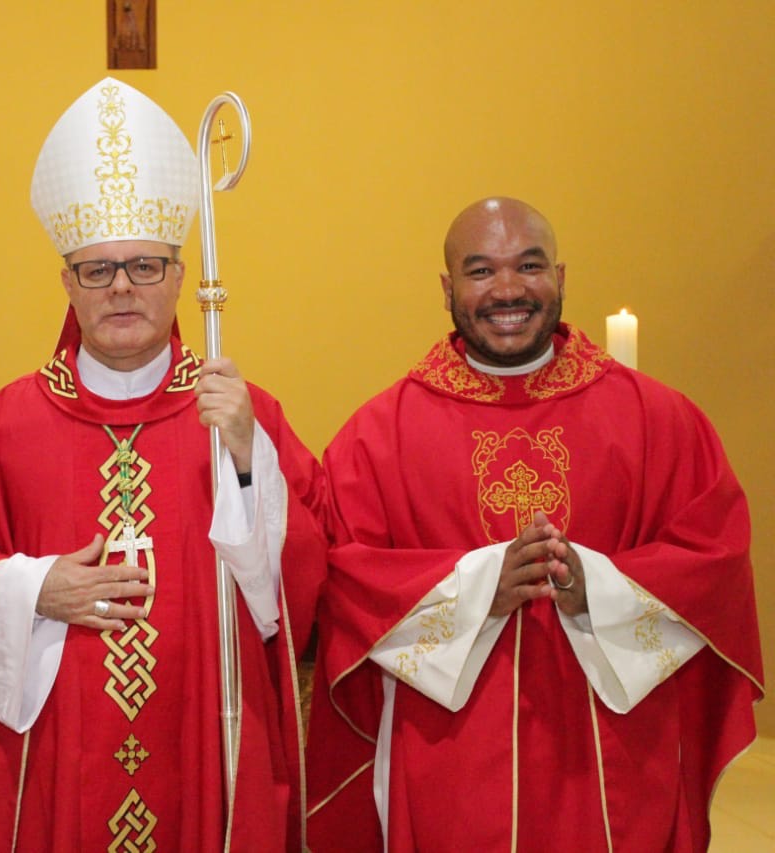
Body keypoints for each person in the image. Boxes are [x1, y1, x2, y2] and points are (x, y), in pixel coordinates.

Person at [0, 77, 326, 851]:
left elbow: (303, 585)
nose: (122, 289)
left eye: (144, 266)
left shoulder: (241, 412)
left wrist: (249, 460)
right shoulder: (5, 425)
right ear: (67, 285)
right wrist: (36, 587)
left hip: (203, 735)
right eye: (97, 270)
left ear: (180, 275)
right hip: (51, 760)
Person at [305, 197, 764, 851]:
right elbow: (347, 576)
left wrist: (597, 587)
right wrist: (480, 584)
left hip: (614, 764)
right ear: (446, 289)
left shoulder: (659, 420)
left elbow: (715, 558)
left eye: (529, 265)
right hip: (454, 766)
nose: (510, 289)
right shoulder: (378, 437)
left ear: (562, 276)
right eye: (481, 270)